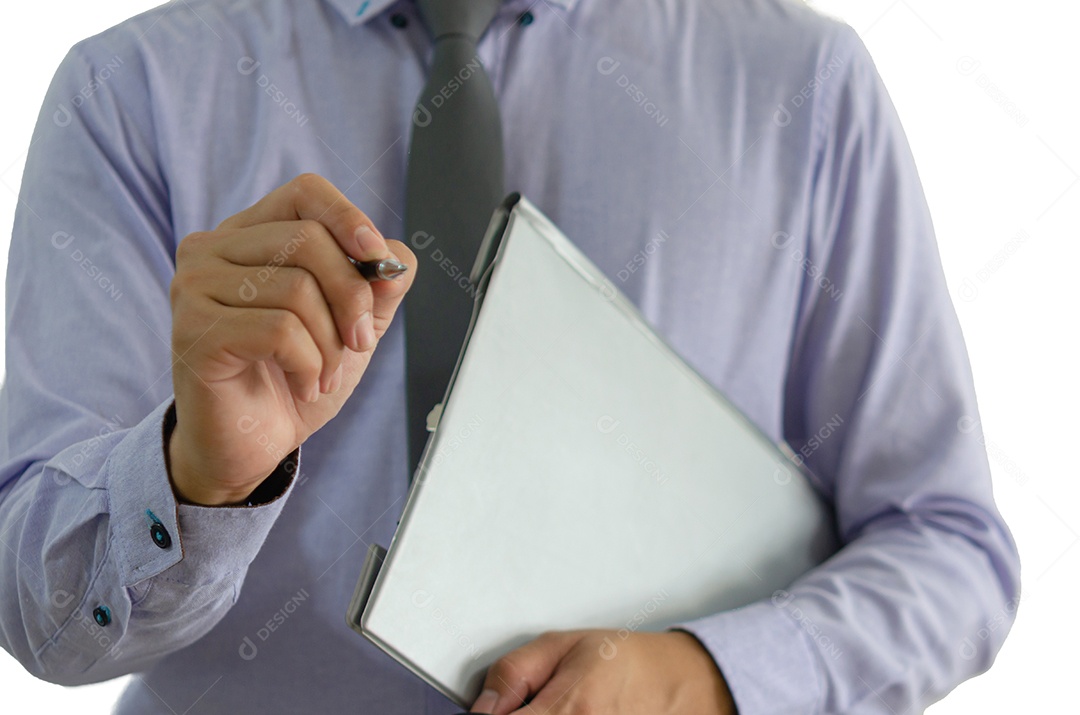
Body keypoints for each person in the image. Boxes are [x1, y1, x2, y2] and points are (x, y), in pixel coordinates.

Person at [0, 0, 1019, 713]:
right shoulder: (130, 95)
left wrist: (704, 677)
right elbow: (41, 619)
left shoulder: (806, 87)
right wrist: (198, 480)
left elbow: (948, 546)